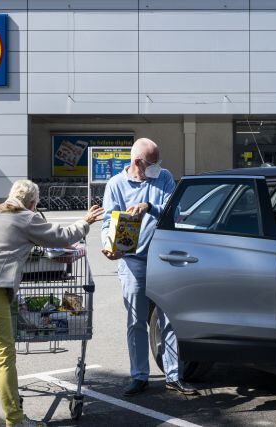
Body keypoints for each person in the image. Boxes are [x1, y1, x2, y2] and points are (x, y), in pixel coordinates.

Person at [0, 180, 104, 427]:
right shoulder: (26, 218)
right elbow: (59, 237)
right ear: (33, 203)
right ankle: (15, 420)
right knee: (4, 357)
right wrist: (85, 222)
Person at [101, 138, 197, 397]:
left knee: (169, 319)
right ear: (137, 162)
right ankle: (139, 375)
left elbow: (173, 209)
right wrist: (110, 247)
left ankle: (173, 376)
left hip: (163, 259)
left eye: (157, 163)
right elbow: (108, 222)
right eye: (152, 163)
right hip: (133, 261)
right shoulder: (116, 185)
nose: (157, 167)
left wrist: (148, 207)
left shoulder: (164, 177)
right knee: (136, 320)